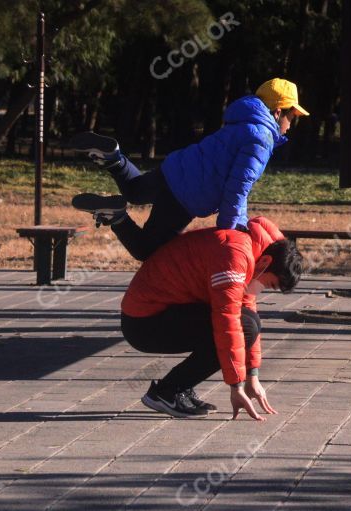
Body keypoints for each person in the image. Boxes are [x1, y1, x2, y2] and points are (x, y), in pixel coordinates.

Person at [70, 78, 309, 261]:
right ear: (278, 112)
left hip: (177, 169)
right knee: (147, 250)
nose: (291, 124)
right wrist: (229, 232)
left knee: (134, 190)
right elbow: (238, 186)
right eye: (292, 116)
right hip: (188, 197)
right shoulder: (263, 139)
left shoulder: (243, 123)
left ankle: (113, 158)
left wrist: (240, 220)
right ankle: (117, 216)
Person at [120, 216, 303, 420]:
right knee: (243, 328)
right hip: (143, 322)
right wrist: (236, 386)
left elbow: (246, 308)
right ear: (267, 262)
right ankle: (167, 392)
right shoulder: (234, 255)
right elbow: (228, 321)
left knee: (250, 324)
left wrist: (253, 376)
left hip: (160, 309)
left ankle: (179, 387)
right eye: (270, 285)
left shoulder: (254, 248)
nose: (264, 289)